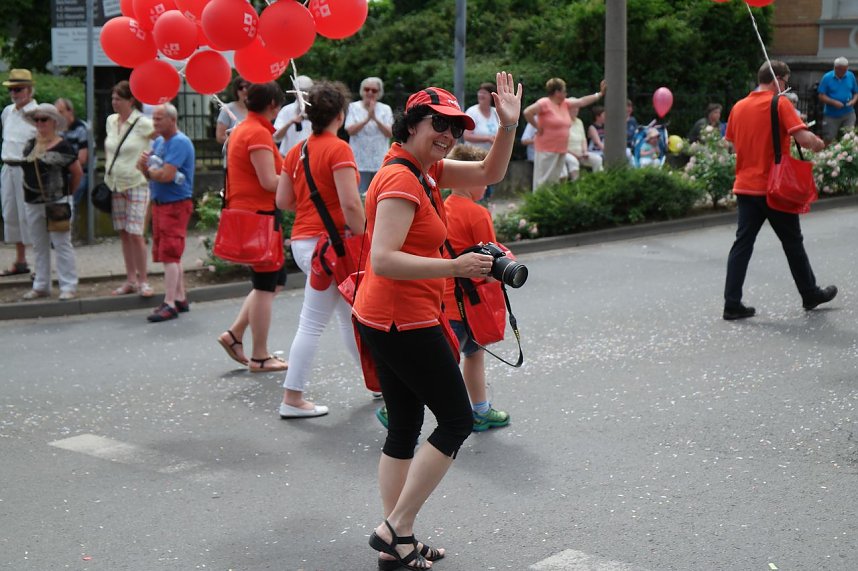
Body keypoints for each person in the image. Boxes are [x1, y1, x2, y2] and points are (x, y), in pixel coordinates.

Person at [356, 72, 521, 570]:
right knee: (455, 419)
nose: (449, 133)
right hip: (400, 319)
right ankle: (395, 527)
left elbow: (489, 173)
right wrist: (455, 266)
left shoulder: (424, 170)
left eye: (456, 125)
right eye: (439, 123)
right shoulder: (402, 179)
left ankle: (397, 542)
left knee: (404, 426)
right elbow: (383, 258)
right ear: (411, 124)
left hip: (388, 316)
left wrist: (508, 126)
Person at [275, 81, 366, 418]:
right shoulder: (339, 149)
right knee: (317, 322)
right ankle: (292, 397)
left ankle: (379, 384)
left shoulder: (296, 150)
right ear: (340, 115)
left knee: (347, 317)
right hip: (332, 244)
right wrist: (365, 238)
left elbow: (283, 200)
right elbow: (351, 204)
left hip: (306, 242)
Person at [722, 60, 836, 321]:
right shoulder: (780, 103)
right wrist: (819, 144)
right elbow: (805, 140)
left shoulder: (738, 106)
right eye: (785, 82)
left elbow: (731, 145)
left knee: (742, 245)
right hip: (774, 187)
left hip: (745, 186)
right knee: (793, 243)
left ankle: (732, 303)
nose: (785, 87)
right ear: (778, 79)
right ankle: (810, 293)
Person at [216, 82, 289, 373]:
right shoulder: (257, 133)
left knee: (275, 280)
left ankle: (234, 335)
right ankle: (259, 355)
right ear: (273, 105)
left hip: (252, 214)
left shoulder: (245, 129)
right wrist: (300, 183)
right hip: (259, 215)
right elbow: (268, 181)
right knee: (265, 285)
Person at [442, 143, 510, 431]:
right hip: (468, 301)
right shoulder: (477, 213)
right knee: (463, 357)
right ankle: (479, 411)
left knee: (460, 356)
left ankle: (480, 409)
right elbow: (491, 262)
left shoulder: (440, 207)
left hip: (443, 297)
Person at [136, 103, 195, 323]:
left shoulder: (179, 142)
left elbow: (166, 175)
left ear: (172, 119)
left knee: (170, 253)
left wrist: (149, 170)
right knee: (169, 252)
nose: (155, 122)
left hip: (175, 204)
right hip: (162, 202)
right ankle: (179, 297)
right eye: (154, 119)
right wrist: (145, 167)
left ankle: (170, 302)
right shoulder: (160, 142)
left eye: (159, 119)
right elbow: (150, 171)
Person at [19, 103, 82, 300]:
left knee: (61, 243)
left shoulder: (63, 145)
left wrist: (68, 194)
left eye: (43, 119)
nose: (39, 123)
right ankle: (41, 285)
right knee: (39, 245)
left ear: (54, 122)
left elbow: (77, 172)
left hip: (57, 200)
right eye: (36, 120)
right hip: (32, 201)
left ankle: (68, 285)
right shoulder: (30, 144)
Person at [104, 80, 156, 298]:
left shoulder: (142, 122)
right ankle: (131, 280)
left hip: (136, 182)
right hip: (115, 181)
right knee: (124, 233)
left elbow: (162, 138)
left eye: (118, 99)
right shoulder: (111, 120)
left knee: (136, 233)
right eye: (113, 98)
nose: (114, 102)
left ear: (130, 101)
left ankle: (144, 280)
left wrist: (150, 158)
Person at [523, 77, 604, 190]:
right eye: (564, 91)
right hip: (547, 149)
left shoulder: (564, 104)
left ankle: (550, 203)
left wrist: (599, 94)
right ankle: (539, 203)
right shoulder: (544, 103)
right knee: (544, 180)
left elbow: (581, 101)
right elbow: (528, 112)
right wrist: (538, 127)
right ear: (557, 92)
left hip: (560, 149)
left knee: (555, 180)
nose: (566, 93)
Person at [0, 68, 37, 277]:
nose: (14, 93)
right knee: (11, 214)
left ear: (29, 90)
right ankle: (20, 260)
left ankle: (36, 262)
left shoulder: (37, 113)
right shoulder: (7, 111)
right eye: (12, 89)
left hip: (26, 168)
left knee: (29, 215)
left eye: (19, 89)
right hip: (8, 166)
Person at [345, 76, 393, 195]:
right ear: (362, 91)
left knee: (378, 194)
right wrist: (367, 119)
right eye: (367, 89)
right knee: (359, 194)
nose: (370, 92)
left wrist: (375, 119)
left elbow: (390, 133)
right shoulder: (353, 107)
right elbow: (350, 130)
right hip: (359, 160)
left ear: (379, 92)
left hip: (379, 159)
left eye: (374, 90)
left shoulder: (385, 109)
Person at [463, 82, 500, 201]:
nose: (481, 95)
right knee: (476, 189)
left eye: (484, 92)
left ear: (491, 96)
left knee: (488, 188)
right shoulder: (472, 112)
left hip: (491, 157)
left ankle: (486, 210)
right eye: (480, 92)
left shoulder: (495, 112)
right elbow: (466, 136)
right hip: (475, 158)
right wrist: (487, 138)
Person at [54, 98, 89, 209]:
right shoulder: (56, 129)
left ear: (70, 111)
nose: (58, 116)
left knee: (69, 204)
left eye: (61, 112)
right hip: (60, 172)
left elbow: (82, 159)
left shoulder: (81, 129)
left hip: (78, 171)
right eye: (56, 112)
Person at [817, 57, 858, 144]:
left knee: (849, 136)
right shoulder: (827, 78)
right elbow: (821, 96)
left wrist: (853, 101)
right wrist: (833, 102)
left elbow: (856, 93)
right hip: (831, 114)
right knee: (829, 137)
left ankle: (847, 156)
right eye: (841, 70)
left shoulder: (850, 76)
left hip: (848, 113)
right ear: (836, 68)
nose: (844, 72)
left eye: (845, 69)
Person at [274, 75, 313, 156]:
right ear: (294, 91)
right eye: (300, 91)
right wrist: (290, 122)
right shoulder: (286, 110)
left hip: (311, 158)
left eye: (307, 90)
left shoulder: (318, 110)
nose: (304, 94)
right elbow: (276, 138)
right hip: (288, 157)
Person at [565, 104, 603, 180]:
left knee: (597, 159)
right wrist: (575, 155)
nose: (576, 110)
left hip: (581, 152)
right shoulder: (563, 122)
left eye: (577, 108)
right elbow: (561, 144)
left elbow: (583, 139)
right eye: (573, 108)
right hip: (567, 152)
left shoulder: (579, 122)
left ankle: (598, 182)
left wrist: (585, 151)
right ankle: (576, 186)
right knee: (573, 162)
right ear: (567, 109)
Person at [215, 76, 248, 145]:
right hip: (234, 153)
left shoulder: (258, 109)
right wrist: (242, 142)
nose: (244, 90)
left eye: (247, 86)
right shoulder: (227, 109)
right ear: (236, 90)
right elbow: (220, 137)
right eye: (240, 88)